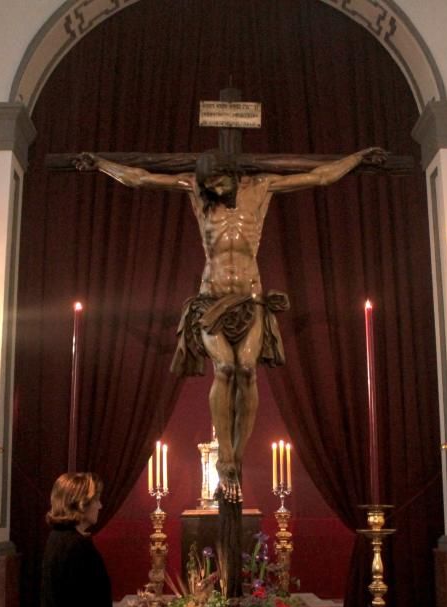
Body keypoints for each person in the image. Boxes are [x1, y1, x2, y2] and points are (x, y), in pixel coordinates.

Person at [76, 147, 386, 502]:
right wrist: (100, 165)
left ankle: (237, 456)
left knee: (247, 372)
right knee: (225, 366)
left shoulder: (261, 188)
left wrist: (357, 158)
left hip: (251, 300)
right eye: (208, 183)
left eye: (218, 182)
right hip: (211, 300)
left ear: (231, 174)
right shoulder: (198, 193)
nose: (214, 189)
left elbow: (319, 177)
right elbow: (142, 178)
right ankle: (225, 460)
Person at [39, 472, 133, 607]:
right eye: (96, 500)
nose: (100, 505)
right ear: (80, 503)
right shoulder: (77, 546)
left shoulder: (56, 538)